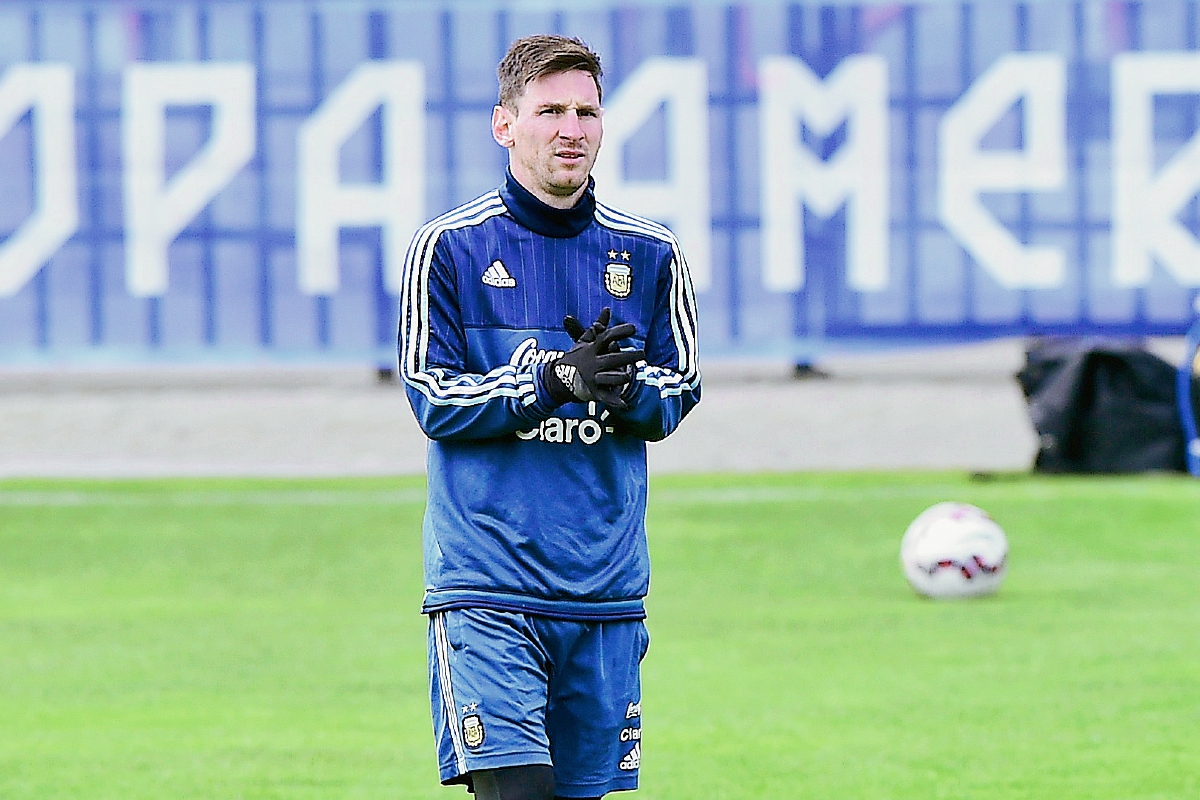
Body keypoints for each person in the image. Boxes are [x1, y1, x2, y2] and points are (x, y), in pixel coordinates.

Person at [398, 34, 701, 800]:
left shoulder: (652, 253)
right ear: (505, 124)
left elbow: (681, 387)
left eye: (587, 111)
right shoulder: (450, 249)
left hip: (605, 594)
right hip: (488, 587)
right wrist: (549, 381)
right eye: (550, 111)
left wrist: (623, 390)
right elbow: (431, 395)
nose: (572, 129)